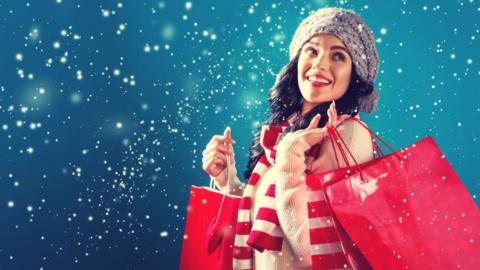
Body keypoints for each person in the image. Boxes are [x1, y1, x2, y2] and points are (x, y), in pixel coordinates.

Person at [202, 7, 379, 270]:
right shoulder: (288, 129)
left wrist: (289, 155)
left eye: (338, 56)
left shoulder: (348, 134)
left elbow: (311, 248)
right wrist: (228, 181)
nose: (319, 64)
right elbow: (269, 224)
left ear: (354, 75)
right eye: (312, 50)